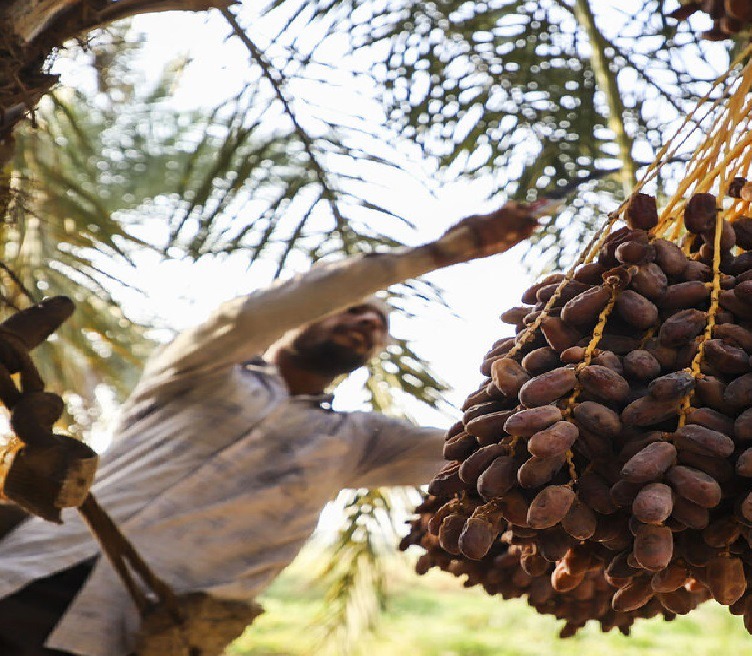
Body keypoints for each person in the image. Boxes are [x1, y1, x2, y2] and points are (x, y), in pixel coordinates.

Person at [0, 202, 541, 656]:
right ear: (307, 316)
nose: (366, 325)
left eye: (376, 330)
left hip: (133, 635)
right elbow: (254, 316)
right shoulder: (199, 369)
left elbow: (480, 446)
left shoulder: (357, 442)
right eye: (353, 311)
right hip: (21, 578)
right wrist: (440, 254)